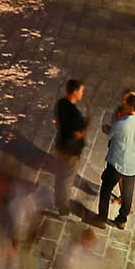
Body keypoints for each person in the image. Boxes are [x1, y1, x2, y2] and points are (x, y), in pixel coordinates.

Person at [98, 91, 135, 225]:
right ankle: (121, 220)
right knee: (128, 193)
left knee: (106, 189)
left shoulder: (121, 124)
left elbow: (110, 135)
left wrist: (107, 128)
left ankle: (101, 219)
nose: (123, 105)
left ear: (130, 107)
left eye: (125, 104)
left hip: (117, 162)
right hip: (133, 163)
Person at [52, 79, 87, 213]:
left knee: (60, 175)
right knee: (67, 179)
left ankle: (57, 199)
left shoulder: (61, 103)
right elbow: (77, 134)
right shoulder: (75, 115)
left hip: (60, 145)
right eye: (81, 91)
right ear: (75, 92)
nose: (82, 94)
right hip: (71, 151)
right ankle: (63, 207)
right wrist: (85, 127)